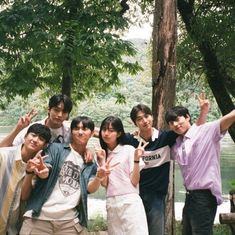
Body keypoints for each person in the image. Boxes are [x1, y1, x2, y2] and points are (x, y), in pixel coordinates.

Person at [125, 94, 208, 235]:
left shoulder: (165, 137)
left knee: (156, 232)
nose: (144, 121)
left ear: (152, 116)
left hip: (157, 196)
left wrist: (203, 111)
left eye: (147, 116)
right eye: (139, 119)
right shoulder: (130, 140)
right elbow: (108, 134)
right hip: (134, 195)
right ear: (135, 123)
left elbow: (192, 130)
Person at [19, 116, 106, 235]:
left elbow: (90, 188)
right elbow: (47, 167)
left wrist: (99, 177)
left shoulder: (90, 163)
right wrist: (43, 171)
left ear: (91, 134)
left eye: (84, 129)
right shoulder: (56, 148)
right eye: (76, 128)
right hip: (38, 219)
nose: (80, 132)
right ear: (71, 132)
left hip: (69, 223)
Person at [165, 106, 235, 235]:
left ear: (187, 117)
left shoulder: (207, 131)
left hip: (205, 196)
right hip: (190, 197)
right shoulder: (177, 144)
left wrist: (204, 112)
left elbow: (229, 117)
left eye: (177, 119)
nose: (175, 124)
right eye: (171, 123)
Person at [96, 116, 149, 235]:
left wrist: (136, 160)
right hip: (112, 202)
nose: (106, 133)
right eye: (104, 130)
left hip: (130, 200)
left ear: (119, 133)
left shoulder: (129, 150)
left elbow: (134, 182)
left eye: (111, 130)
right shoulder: (102, 154)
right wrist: (102, 161)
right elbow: (105, 184)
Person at [0, 123, 51, 235]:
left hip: (12, 227)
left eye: (41, 139)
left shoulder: (38, 166)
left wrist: (29, 172)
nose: (35, 140)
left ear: (45, 145)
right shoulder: (3, 155)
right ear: (25, 136)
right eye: (33, 135)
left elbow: (24, 196)